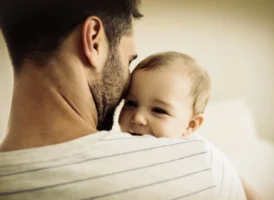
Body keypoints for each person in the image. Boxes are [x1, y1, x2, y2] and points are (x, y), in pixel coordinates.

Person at [0, 0, 260, 199]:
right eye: (128, 61)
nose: (136, 116)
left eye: (159, 110)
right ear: (93, 40)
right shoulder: (200, 164)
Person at [119, 51, 211, 138]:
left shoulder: (196, 152)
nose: (137, 118)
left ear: (190, 125)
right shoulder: (113, 144)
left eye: (159, 110)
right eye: (130, 103)